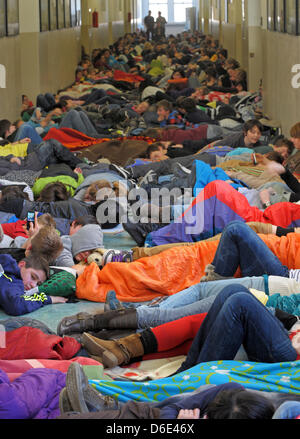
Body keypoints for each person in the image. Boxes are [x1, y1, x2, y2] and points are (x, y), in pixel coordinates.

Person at [0, 253, 66, 316]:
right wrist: (46, 299)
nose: (34, 285)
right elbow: (16, 305)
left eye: (38, 284)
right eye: (33, 277)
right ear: (21, 265)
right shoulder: (9, 279)